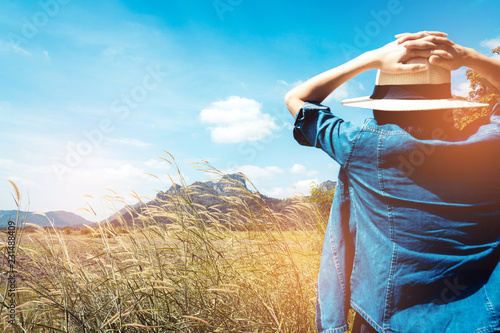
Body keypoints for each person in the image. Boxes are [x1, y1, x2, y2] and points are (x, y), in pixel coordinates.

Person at [285, 31, 500, 333]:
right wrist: (468, 57)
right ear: (448, 104)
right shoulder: (490, 146)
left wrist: (371, 58)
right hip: (484, 321)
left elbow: (297, 99)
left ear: (379, 107)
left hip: (385, 323)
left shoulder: (361, 147)